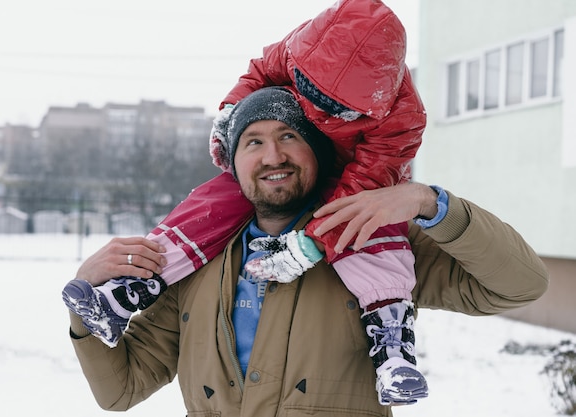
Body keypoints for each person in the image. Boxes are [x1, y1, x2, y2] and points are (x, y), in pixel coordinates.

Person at [66, 87, 548, 416]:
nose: (272, 156)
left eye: (289, 136)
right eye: (253, 141)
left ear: (318, 153)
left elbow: (521, 285)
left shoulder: (377, 244)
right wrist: (83, 302)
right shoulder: (196, 265)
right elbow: (121, 389)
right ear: (233, 165)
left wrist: (431, 205)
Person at [63, 0, 428, 405]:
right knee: (206, 206)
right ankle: (130, 288)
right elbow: (256, 74)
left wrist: (312, 243)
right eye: (309, 90)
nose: (316, 110)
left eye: (336, 108)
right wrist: (230, 115)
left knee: (370, 226)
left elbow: (368, 182)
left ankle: (392, 340)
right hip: (296, 168)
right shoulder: (293, 50)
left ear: (378, 99)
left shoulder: (402, 118)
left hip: (355, 181)